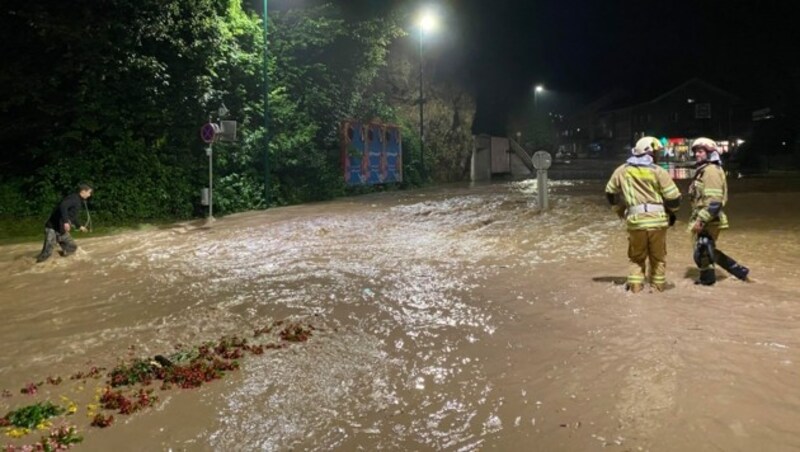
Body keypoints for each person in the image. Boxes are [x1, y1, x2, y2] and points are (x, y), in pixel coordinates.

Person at [606, 136, 682, 293]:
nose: (658, 156)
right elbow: (674, 198)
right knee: (658, 259)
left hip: (635, 222)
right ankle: (657, 290)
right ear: (651, 153)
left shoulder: (621, 171)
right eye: (657, 153)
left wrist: (618, 209)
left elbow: (610, 192)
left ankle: (636, 290)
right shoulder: (659, 172)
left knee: (636, 258)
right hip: (658, 222)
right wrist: (671, 213)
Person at [688, 138, 750, 285]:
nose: (697, 154)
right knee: (707, 250)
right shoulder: (705, 171)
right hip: (706, 217)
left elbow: (714, 202)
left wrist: (701, 220)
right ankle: (739, 271)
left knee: (703, 250)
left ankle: (707, 282)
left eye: (701, 151)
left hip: (709, 218)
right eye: (696, 151)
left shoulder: (710, 172)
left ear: (710, 153)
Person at [35, 183, 93, 263]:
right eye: (89, 192)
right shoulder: (74, 198)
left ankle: (63, 263)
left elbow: (72, 217)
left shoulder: (78, 201)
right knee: (47, 253)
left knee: (72, 248)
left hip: (61, 230)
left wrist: (80, 226)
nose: (90, 195)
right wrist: (66, 222)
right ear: (83, 191)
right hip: (52, 228)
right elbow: (63, 206)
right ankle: (37, 266)